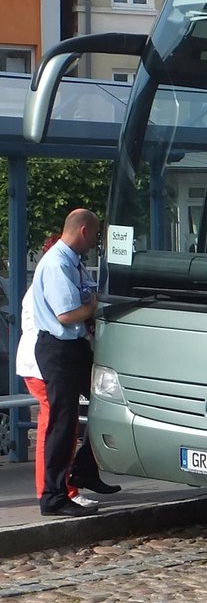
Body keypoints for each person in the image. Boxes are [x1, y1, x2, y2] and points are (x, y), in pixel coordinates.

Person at [30, 210, 121, 517]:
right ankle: (54, 496)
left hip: (74, 347)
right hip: (59, 349)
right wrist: (94, 307)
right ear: (83, 231)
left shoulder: (72, 262)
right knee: (62, 424)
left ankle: (84, 467)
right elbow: (66, 314)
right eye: (95, 235)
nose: (96, 242)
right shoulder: (57, 264)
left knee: (106, 402)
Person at [15, 235, 102, 510]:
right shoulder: (53, 274)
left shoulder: (61, 272)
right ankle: (58, 489)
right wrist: (90, 308)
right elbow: (64, 316)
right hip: (46, 362)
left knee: (70, 423)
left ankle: (76, 475)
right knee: (57, 427)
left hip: (59, 356)